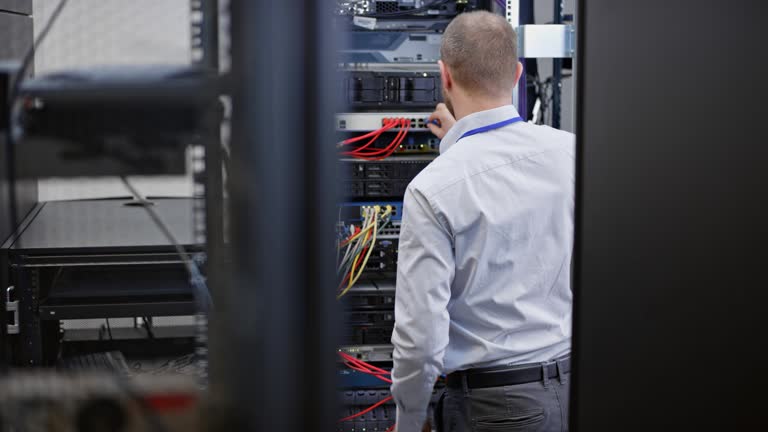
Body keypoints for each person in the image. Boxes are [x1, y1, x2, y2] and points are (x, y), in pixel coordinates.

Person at [390, 10, 575, 432]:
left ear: (445, 76)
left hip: (495, 409)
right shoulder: (572, 152)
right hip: (572, 392)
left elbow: (420, 343)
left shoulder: (432, 189)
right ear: (517, 73)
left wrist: (409, 419)